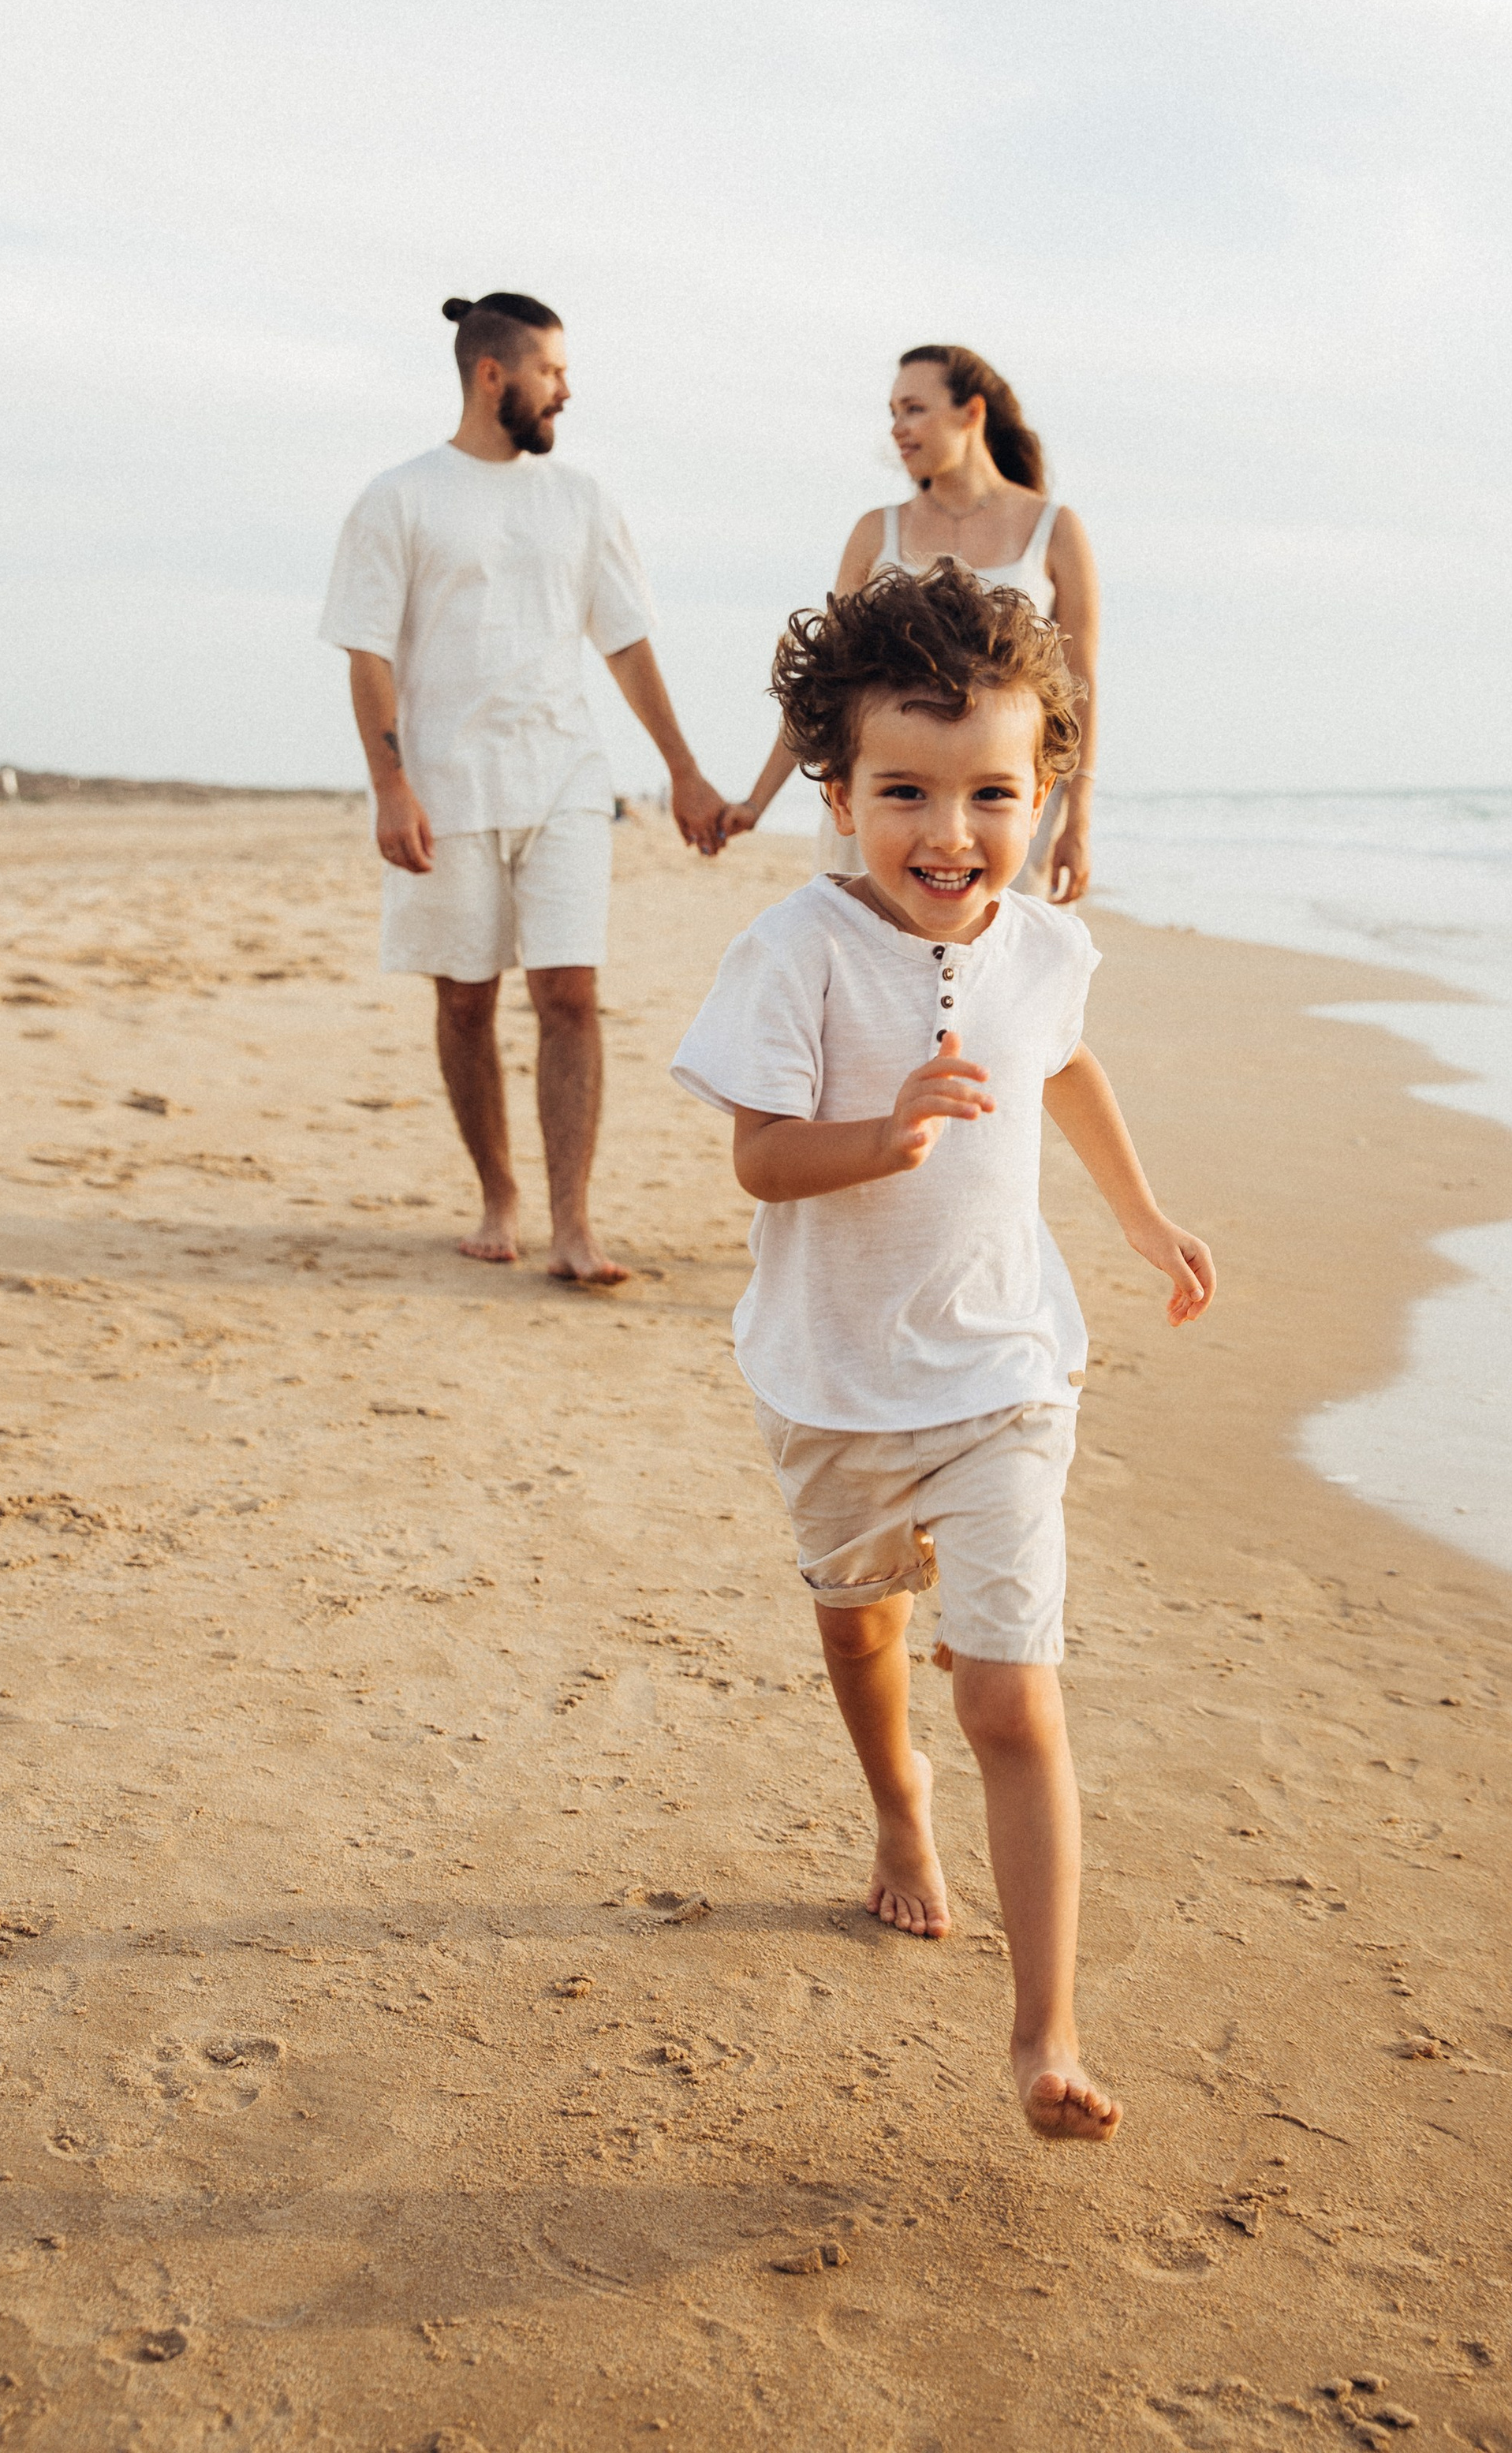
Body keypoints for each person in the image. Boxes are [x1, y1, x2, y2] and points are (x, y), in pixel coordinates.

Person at [672, 561, 1213, 2139]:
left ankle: (1043, 2034)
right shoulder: (791, 954)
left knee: (1006, 1693)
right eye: (903, 791)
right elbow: (759, 1161)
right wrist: (879, 1136)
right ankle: (897, 1824)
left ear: (1043, 792)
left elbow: (1065, 1068)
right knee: (860, 1634)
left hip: (1000, 1372)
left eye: (990, 793)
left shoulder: (1037, 945)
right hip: (831, 1376)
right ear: (834, 793)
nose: (949, 835)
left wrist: (1139, 1216)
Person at [320, 291, 726, 1283]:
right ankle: (498, 1194)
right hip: (448, 788)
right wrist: (390, 785)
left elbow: (625, 642)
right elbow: (366, 651)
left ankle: (572, 1221)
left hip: (565, 780)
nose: (566, 391)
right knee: (465, 1001)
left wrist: (681, 767)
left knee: (570, 995)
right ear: (492, 374)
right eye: (552, 372)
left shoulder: (582, 500)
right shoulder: (400, 496)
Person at [719, 345, 1101, 902]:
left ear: (971, 413)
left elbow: (1079, 686)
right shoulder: (877, 532)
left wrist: (1077, 821)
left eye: (914, 409)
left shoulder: (1055, 528)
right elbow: (827, 687)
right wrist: (756, 801)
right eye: (893, 412)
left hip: (992, 807)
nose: (897, 428)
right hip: (891, 802)